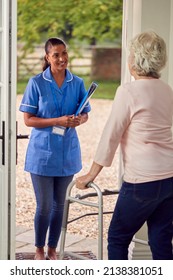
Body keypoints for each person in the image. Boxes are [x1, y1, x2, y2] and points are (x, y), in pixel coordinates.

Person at [76, 31, 173, 260]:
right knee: (161, 238)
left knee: (118, 237)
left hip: (142, 182)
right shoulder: (167, 90)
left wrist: (91, 174)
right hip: (169, 178)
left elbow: (111, 135)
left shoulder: (128, 92)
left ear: (136, 59)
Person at [19, 37, 91, 260]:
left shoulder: (77, 83)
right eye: (56, 55)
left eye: (64, 53)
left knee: (60, 205)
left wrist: (80, 120)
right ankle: (39, 248)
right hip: (41, 154)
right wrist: (57, 120)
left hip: (67, 153)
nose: (62, 58)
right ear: (47, 58)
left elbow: (85, 112)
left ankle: (52, 248)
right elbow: (28, 120)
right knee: (44, 206)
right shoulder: (36, 83)